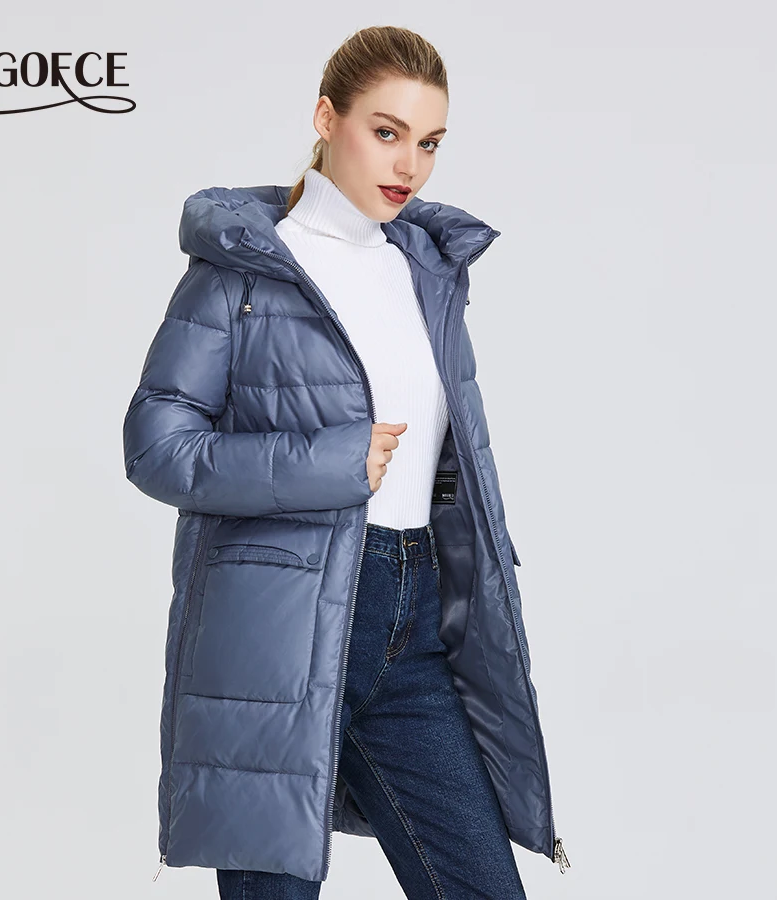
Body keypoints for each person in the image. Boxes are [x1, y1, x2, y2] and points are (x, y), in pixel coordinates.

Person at [123, 24, 568, 900]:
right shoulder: (243, 272)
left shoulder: (428, 272)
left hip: (413, 615)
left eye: (429, 142)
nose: (409, 165)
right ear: (327, 119)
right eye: (386, 131)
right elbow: (156, 444)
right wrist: (329, 462)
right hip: (278, 629)